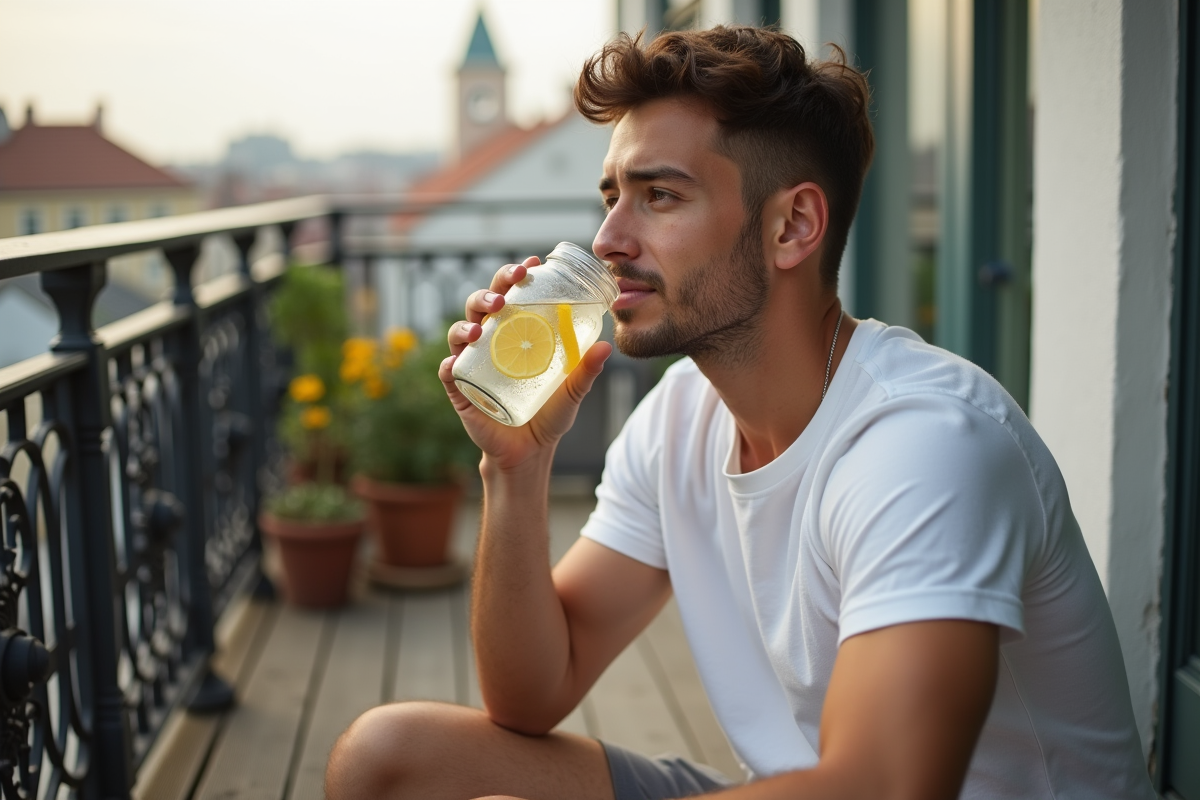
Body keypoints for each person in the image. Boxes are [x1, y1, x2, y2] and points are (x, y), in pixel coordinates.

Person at [326, 25, 1155, 800]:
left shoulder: (927, 444)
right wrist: (513, 467)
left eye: (660, 197)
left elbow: (883, 785)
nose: (608, 238)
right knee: (387, 758)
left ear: (792, 225)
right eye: (612, 195)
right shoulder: (679, 416)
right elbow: (536, 691)